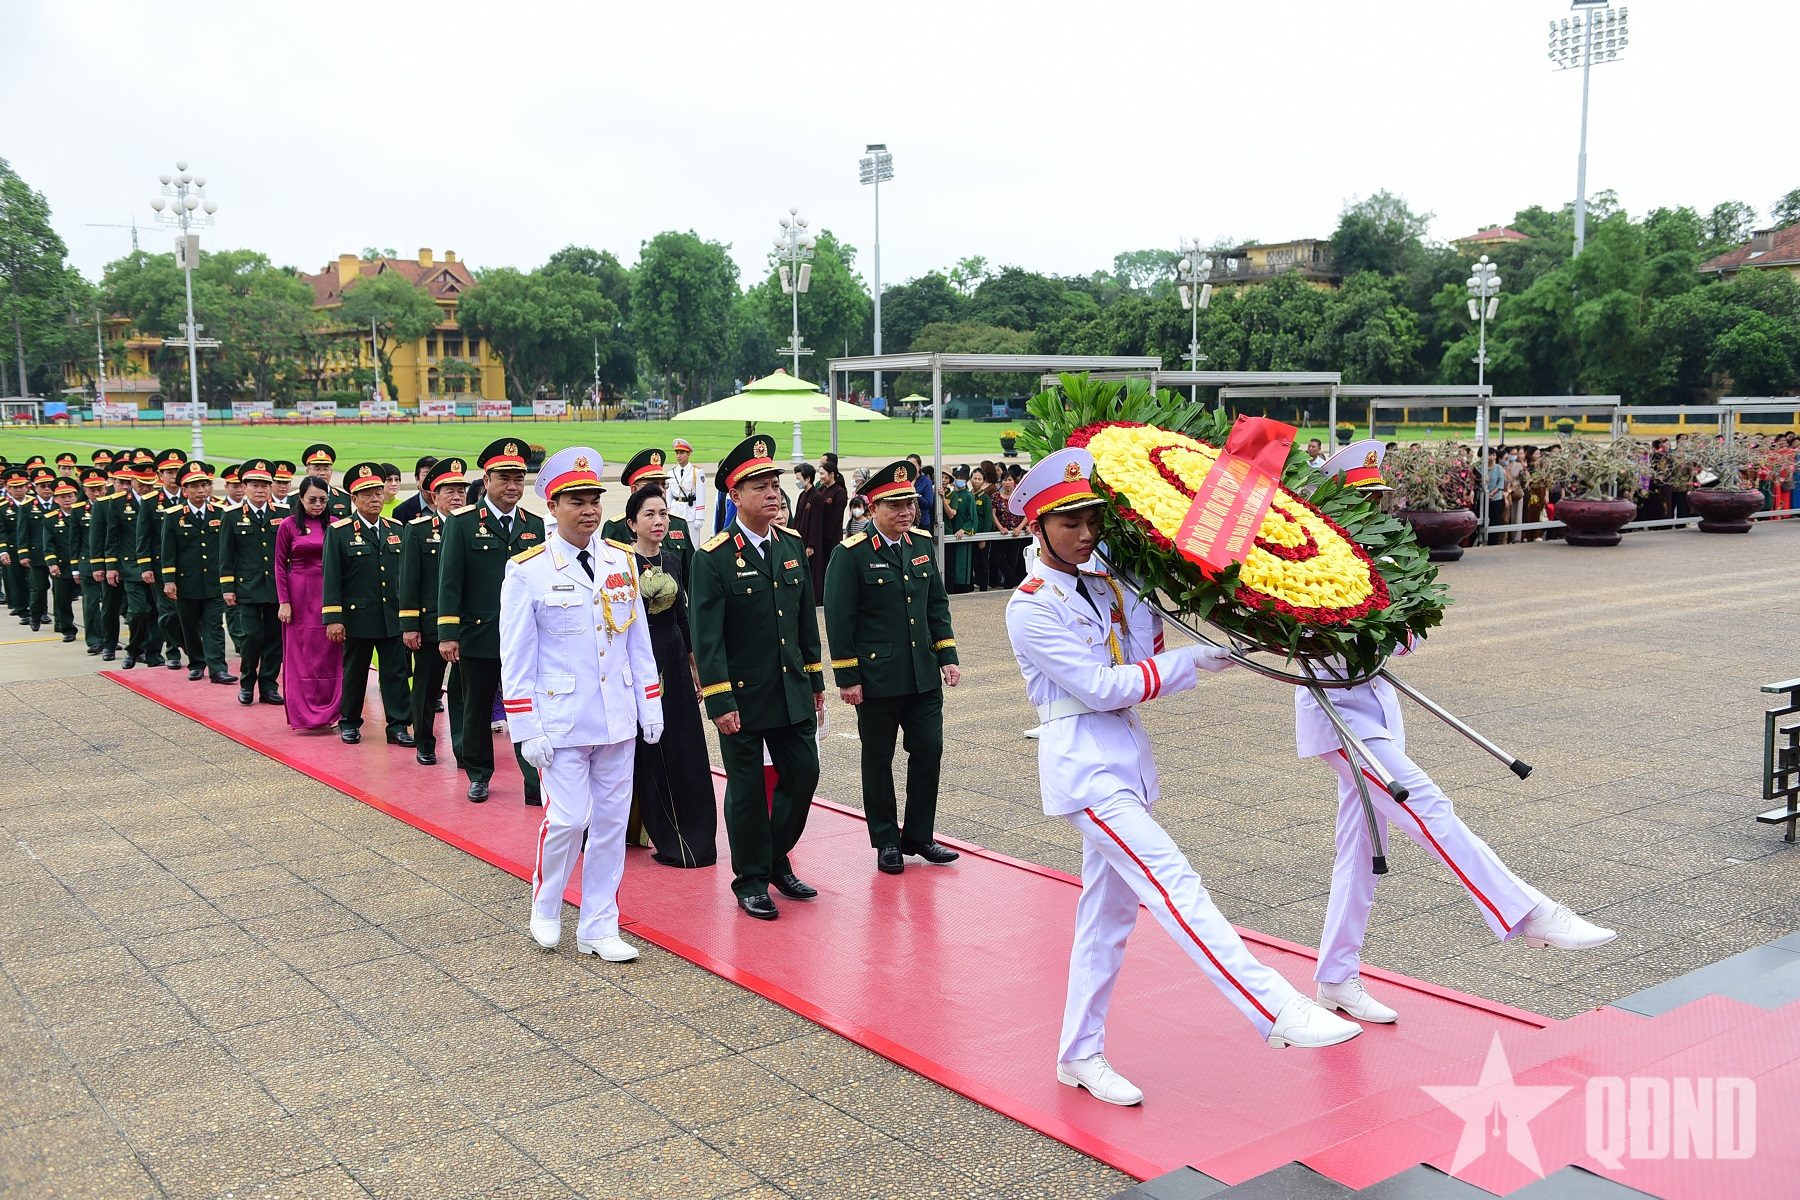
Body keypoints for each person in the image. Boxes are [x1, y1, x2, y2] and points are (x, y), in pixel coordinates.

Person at [1006, 448, 1360, 1108]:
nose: (1086, 534)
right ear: (1037, 526)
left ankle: (1079, 1054)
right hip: (1085, 769)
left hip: (1125, 762)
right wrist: (1201, 661)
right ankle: (1272, 1005)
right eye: (1069, 523)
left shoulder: (1107, 578)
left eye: (1093, 520)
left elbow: (1142, 651)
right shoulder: (1030, 607)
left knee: (1105, 921)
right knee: (1173, 881)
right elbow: (1104, 686)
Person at [1297, 652, 1616, 1023]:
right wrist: (1215, 655)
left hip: (1378, 709)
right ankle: (1532, 912)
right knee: (1430, 809)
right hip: (1336, 716)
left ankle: (1335, 976)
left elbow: (1402, 639)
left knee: (1360, 848)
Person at [503, 447, 662, 961]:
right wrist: (525, 727)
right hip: (562, 721)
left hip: (616, 717)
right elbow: (517, 657)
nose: (590, 509)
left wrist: (650, 704)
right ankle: (546, 906)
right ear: (552, 506)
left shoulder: (621, 560)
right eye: (577, 500)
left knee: (613, 826)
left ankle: (598, 925)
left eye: (595, 498)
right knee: (569, 820)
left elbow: (636, 640)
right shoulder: (527, 570)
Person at [691, 434, 825, 920]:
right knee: (746, 789)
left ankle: (772, 857)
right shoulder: (713, 557)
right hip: (742, 695)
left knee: (804, 774)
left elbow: (806, 622)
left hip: (790, 688)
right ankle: (751, 879)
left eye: (774, 483)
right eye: (759, 485)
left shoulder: (790, 545)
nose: (772, 493)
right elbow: (707, 638)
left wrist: (815, 683)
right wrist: (720, 701)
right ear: (735, 495)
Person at [825, 460, 961, 875]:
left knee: (928, 749)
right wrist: (848, 677)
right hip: (877, 678)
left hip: (922, 675)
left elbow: (936, 605)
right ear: (872, 507)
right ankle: (885, 839)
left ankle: (918, 834)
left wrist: (947, 655)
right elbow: (839, 617)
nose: (906, 512)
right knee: (878, 758)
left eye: (910, 504)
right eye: (896, 505)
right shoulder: (851, 554)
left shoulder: (920, 545)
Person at [438, 439, 545, 804]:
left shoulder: (534, 526)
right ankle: (479, 773)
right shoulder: (463, 524)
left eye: (518, 478)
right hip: (479, 634)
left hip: (525, 638)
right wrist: (448, 634)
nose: (513, 486)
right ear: (486, 479)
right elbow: (449, 581)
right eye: (504, 478)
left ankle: (535, 781)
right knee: (477, 708)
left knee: (527, 708)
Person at [622, 484, 717, 867]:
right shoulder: (619, 564)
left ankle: (692, 831)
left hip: (674, 658)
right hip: (638, 662)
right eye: (649, 515)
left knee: (683, 744)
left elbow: (683, 618)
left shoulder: (675, 559)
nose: (659, 521)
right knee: (646, 746)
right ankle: (643, 827)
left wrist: (697, 670)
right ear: (632, 523)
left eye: (662, 513)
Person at [322, 462, 412, 746]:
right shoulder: (340, 532)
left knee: (396, 673)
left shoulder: (395, 528)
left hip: (392, 615)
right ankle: (349, 721)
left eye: (377, 492)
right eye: (367, 494)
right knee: (356, 673)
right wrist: (334, 618)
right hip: (357, 616)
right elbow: (331, 578)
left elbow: (404, 576)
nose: (375, 498)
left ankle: (398, 725)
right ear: (354, 498)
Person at [400, 457, 469, 767]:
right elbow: (409, 580)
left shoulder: (474, 527)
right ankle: (424, 742)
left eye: (461, 491)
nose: (456, 497)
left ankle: (465, 748)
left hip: (468, 625)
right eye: (449, 491)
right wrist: (410, 625)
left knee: (463, 693)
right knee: (427, 689)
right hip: (429, 625)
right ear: (434, 495)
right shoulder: (418, 530)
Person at [159, 460, 235, 684]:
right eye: (195, 486)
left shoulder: (222, 512)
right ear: (185, 490)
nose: (201, 490)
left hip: (214, 581)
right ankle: (196, 662)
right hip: (187, 582)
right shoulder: (173, 516)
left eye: (204, 485)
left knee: (213, 625)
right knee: (189, 625)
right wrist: (169, 580)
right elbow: (168, 551)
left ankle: (218, 668)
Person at [276, 477, 342, 731]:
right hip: (299, 594)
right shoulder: (288, 525)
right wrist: (284, 602)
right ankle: (303, 714)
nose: (317, 505)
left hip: (329, 593)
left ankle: (331, 711)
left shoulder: (335, 525)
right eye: (312, 499)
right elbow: (280, 566)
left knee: (329, 652)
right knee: (301, 654)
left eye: (322, 500)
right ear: (300, 499)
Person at [221, 459, 285, 706]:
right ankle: (247, 683)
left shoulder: (282, 514)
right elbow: (226, 554)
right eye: (255, 485)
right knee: (250, 636)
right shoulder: (233, 515)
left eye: (264, 485)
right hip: (246, 587)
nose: (260, 490)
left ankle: (269, 685)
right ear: (244, 487)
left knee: (274, 638)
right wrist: (227, 586)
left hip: (275, 588)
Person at [600, 449, 694, 587]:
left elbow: (691, 579)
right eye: (653, 484)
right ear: (634, 490)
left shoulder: (679, 524)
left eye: (663, 484)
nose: (661, 490)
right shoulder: (616, 527)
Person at [137, 448, 188, 668]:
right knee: (168, 611)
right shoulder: (150, 502)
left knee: (187, 611)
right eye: (169, 471)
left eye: (177, 470)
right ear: (160, 476)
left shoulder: (191, 497)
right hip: (161, 566)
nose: (174, 475)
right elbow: (143, 536)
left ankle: (190, 646)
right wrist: (145, 565)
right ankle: (173, 650)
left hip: (189, 566)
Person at [38, 477, 83, 643]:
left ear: (76, 496)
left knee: (91, 601)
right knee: (62, 600)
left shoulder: (86, 514)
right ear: (56, 499)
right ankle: (67, 629)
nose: (67, 500)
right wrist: (52, 563)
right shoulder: (50, 518)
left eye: (70, 496)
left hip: (83, 564)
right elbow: (48, 544)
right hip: (63, 565)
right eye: (62, 497)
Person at [798, 458, 847, 603]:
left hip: (830, 537)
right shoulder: (820, 491)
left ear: (831, 474)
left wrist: (823, 535)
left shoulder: (839, 492)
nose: (820, 477)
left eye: (822, 474)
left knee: (829, 568)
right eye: (819, 474)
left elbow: (835, 518)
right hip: (819, 536)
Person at [76, 468, 108, 652]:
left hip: (110, 562)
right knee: (91, 603)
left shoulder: (112, 506)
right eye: (92, 489)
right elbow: (75, 541)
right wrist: (75, 567)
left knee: (110, 605)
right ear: (85, 490)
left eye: (100, 489)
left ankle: (108, 638)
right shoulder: (79, 510)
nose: (96, 493)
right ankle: (94, 639)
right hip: (87, 563)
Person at [942, 465, 976, 593]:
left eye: (961, 477)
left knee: (962, 561)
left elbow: (972, 517)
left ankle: (964, 586)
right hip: (951, 533)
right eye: (957, 477)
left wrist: (964, 529)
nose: (958, 479)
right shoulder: (953, 494)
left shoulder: (968, 496)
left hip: (962, 534)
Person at [301, 443, 353, 519]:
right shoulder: (295, 498)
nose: (322, 473)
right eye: (317, 469)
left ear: (331, 471)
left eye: (326, 469)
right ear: (308, 471)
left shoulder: (345, 498)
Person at [665, 437, 706, 530]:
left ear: (688, 454)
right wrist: (666, 513)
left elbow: (701, 495)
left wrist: (700, 517)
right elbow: (669, 497)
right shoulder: (671, 473)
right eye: (677, 453)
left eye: (681, 453)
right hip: (675, 511)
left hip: (690, 512)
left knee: (692, 542)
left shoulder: (696, 472)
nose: (678, 456)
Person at [392, 456, 437, 525]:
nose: (430, 479)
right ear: (417, 479)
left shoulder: (452, 506)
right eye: (425, 475)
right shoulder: (401, 511)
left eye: (435, 474)